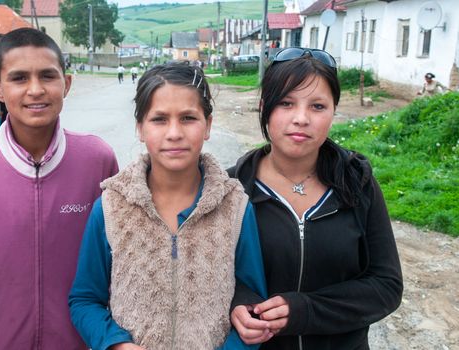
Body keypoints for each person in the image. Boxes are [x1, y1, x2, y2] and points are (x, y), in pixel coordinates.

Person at [0, 28, 119, 349]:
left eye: (48, 76)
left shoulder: (96, 159)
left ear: (67, 84)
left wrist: (105, 335)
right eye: (19, 78)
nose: (35, 90)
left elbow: (118, 256)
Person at [68, 63, 267, 350]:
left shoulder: (235, 208)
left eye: (188, 118)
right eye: (159, 119)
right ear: (140, 127)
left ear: (208, 125)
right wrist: (115, 343)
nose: (174, 133)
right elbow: (84, 299)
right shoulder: (111, 208)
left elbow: (252, 303)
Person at [227, 47, 403, 350]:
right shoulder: (231, 189)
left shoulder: (357, 183)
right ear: (263, 107)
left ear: (334, 110)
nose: (301, 118)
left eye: (318, 106)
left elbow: (386, 286)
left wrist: (305, 310)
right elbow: (206, 276)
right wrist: (239, 303)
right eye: (285, 103)